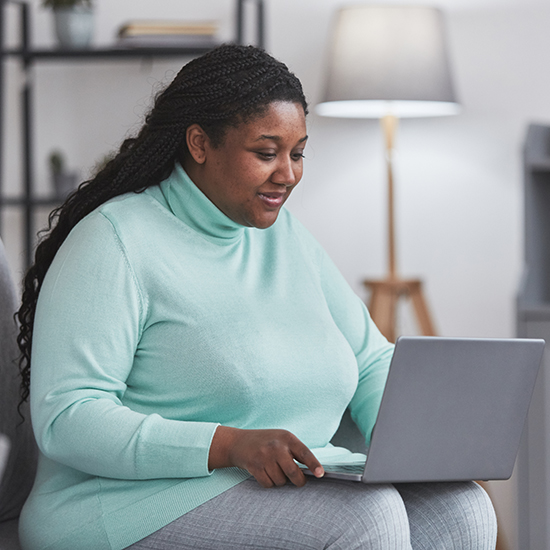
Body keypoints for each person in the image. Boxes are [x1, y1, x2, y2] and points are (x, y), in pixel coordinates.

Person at [15, 44, 497, 550]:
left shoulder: (282, 235)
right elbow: (69, 417)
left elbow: (370, 357)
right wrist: (228, 446)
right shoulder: (114, 240)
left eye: (298, 153)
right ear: (199, 143)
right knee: (366, 519)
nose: (287, 174)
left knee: (459, 509)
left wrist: (410, 447)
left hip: (276, 483)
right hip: (123, 504)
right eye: (266, 153)